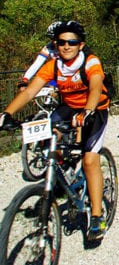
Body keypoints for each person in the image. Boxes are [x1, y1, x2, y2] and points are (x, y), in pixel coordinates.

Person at [0, 21, 110, 240]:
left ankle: (97, 215)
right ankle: (60, 170)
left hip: (95, 108)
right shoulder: (53, 65)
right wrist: (7, 114)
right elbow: (30, 91)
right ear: (55, 44)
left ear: (81, 44)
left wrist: (88, 110)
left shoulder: (90, 61)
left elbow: (96, 84)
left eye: (72, 42)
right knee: (44, 136)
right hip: (68, 107)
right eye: (61, 42)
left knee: (89, 161)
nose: (66, 46)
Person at [17, 21, 62, 89]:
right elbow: (37, 64)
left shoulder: (71, 46)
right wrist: (25, 79)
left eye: (56, 38)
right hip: (58, 75)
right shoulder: (49, 47)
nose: (54, 41)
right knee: (51, 90)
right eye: (52, 38)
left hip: (72, 76)